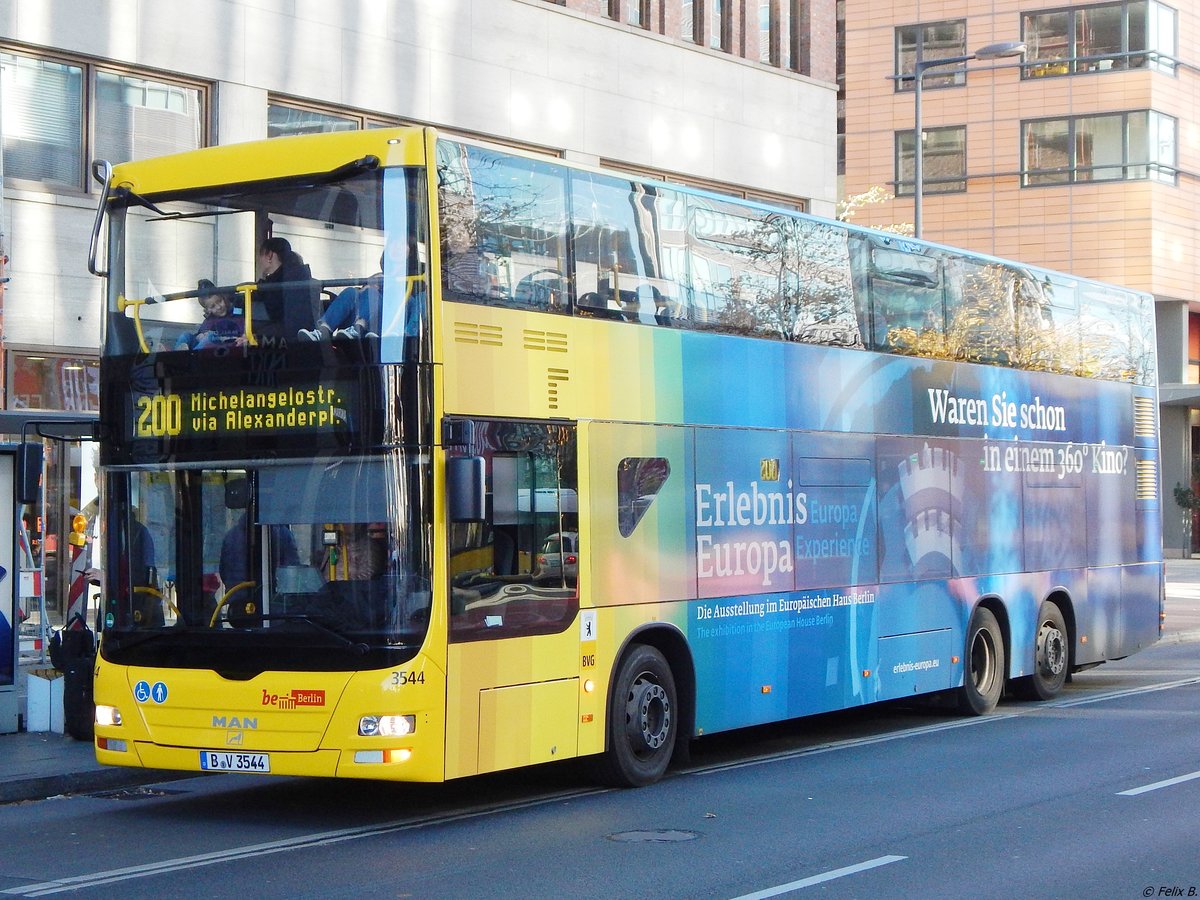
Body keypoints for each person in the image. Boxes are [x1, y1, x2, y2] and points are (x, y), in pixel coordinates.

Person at [255, 237, 316, 335]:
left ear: (269, 255)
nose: (259, 260)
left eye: (261, 255)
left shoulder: (273, 284)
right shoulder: (298, 276)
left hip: (285, 332)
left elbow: (275, 312)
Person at [298, 273, 381, 342]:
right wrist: (364, 290)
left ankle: (358, 329)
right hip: (348, 332)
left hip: (377, 334)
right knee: (350, 292)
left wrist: (375, 292)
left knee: (373, 294)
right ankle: (323, 332)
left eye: (381, 285)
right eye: (373, 283)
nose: (376, 286)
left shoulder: (384, 298)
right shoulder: (361, 295)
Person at [174, 280, 244, 350]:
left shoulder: (235, 314)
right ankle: (179, 354)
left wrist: (243, 337)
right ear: (207, 310)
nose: (218, 307)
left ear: (223, 298)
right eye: (213, 306)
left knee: (210, 336)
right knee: (185, 335)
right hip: (208, 349)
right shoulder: (209, 320)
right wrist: (200, 335)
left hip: (227, 346)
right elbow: (201, 333)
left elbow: (242, 330)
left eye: (220, 301)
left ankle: (193, 356)